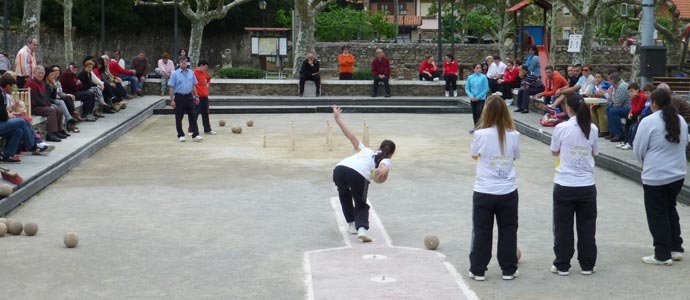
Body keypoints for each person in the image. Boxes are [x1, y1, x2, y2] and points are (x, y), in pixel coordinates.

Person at [468, 95, 520, 281]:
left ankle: (478, 269)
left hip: (484, 189)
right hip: (507, 189)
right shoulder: (514, 135)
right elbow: (514, 157)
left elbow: (474, 155)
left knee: (482, 230)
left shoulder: (480, 134)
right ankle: (508, 269)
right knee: (508, 229)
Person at [633, 89, 687, 265]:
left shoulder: (648, 121)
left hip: (656, 175)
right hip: (677, 174)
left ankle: (662, 254)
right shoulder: (680, 120)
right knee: (670, 209)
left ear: (654, 103)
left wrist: (646, 163)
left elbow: (639, 149)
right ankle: (675, 247)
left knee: (657, 214)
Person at [549, 93, 599, 276]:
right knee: (587, 225)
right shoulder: (592, 128)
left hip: (565, 183)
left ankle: (562, 264)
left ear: (568, 108)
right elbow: (594, 152)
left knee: (563, 225)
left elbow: (554, 152)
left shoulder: (561, 128)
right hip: (586, 184)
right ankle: (587, 264)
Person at [331, 104, 395, 243]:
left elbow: (350, 135)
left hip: (339, 169)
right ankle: (362, 229)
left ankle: (352, 224)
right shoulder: (385, 158)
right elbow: (384, 166)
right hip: (357, 174)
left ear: (379, 147)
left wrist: (337, 118)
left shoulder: (365, 150)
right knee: (361, 203)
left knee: (344, 193)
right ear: (391, 153)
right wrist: (382, 170)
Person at [25, 65, 68, 142]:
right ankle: (50, 134)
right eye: (39, 73)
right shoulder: (31, 83)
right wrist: (48, 105)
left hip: (41, 105)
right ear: (34, 73)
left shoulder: (42, 83)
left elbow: (46, 97)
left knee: (59, 110)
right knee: (51, 111)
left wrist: (49, 104)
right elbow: (35, 100)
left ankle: (58, 131)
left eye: (42, 73)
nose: (41, 75)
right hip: (33, 107)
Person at [168, 57, 201, 142]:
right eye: (182, 61)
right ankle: (180, 135)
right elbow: (171, 87)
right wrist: (172, 100)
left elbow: (193, 85)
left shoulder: (191, 73)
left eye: (185, 61)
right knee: (179, 116)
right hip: (179, 97)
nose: (184, 63)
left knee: (193, 115)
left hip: (189, 96)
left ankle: (195, 134)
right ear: (179, 63)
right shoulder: (175, 74)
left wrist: (196, 96)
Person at [617, 83, 646, 150]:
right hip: (636, 115)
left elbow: (638, 109)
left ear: (637, 90)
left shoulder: (642, 97)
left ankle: (630, 143)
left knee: (633, 127)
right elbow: (632, 108)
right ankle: (625, 141)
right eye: (629, 92)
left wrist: (632, 113)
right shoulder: (634, 97)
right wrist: (630, 113)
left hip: (641, 115)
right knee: (628, 122)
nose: (630, 93)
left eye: (632, 91)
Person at [604, 72, 630, 142]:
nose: (609, 82)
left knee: (613, 111)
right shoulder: (617, 86)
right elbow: (615, 102)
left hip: (628, 108)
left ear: (613, 80)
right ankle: (612, 132)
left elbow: (617, 102)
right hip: (622, 105)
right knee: (609, 108)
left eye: (610, 80)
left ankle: (619, 134)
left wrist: (610, 94)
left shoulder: (622, 87)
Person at [466, 63, 489, 133]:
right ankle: (476, 127)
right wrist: (471, 96)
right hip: (473, 98)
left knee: (479, 112)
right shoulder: (470, 77)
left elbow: (486, 88)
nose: (479, 69)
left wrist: (478, 97)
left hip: (481, 98)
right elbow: (467, 88)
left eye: (480, 68)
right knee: (474, 113)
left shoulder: (484, 77)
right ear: (474, 69)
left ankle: (480, 127)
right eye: (477, 68)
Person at [193, 60, 215, 135]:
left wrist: (207, 84)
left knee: (205, 113)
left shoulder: (204, 73)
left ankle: (207, 129)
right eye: (205, 67)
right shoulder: (194, 73)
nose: (206, 69)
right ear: (201, 65)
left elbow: (209, 78)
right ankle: (191, 129)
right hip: (197, 97)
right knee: (195, 113)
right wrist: (194, 95)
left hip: (205, 96)